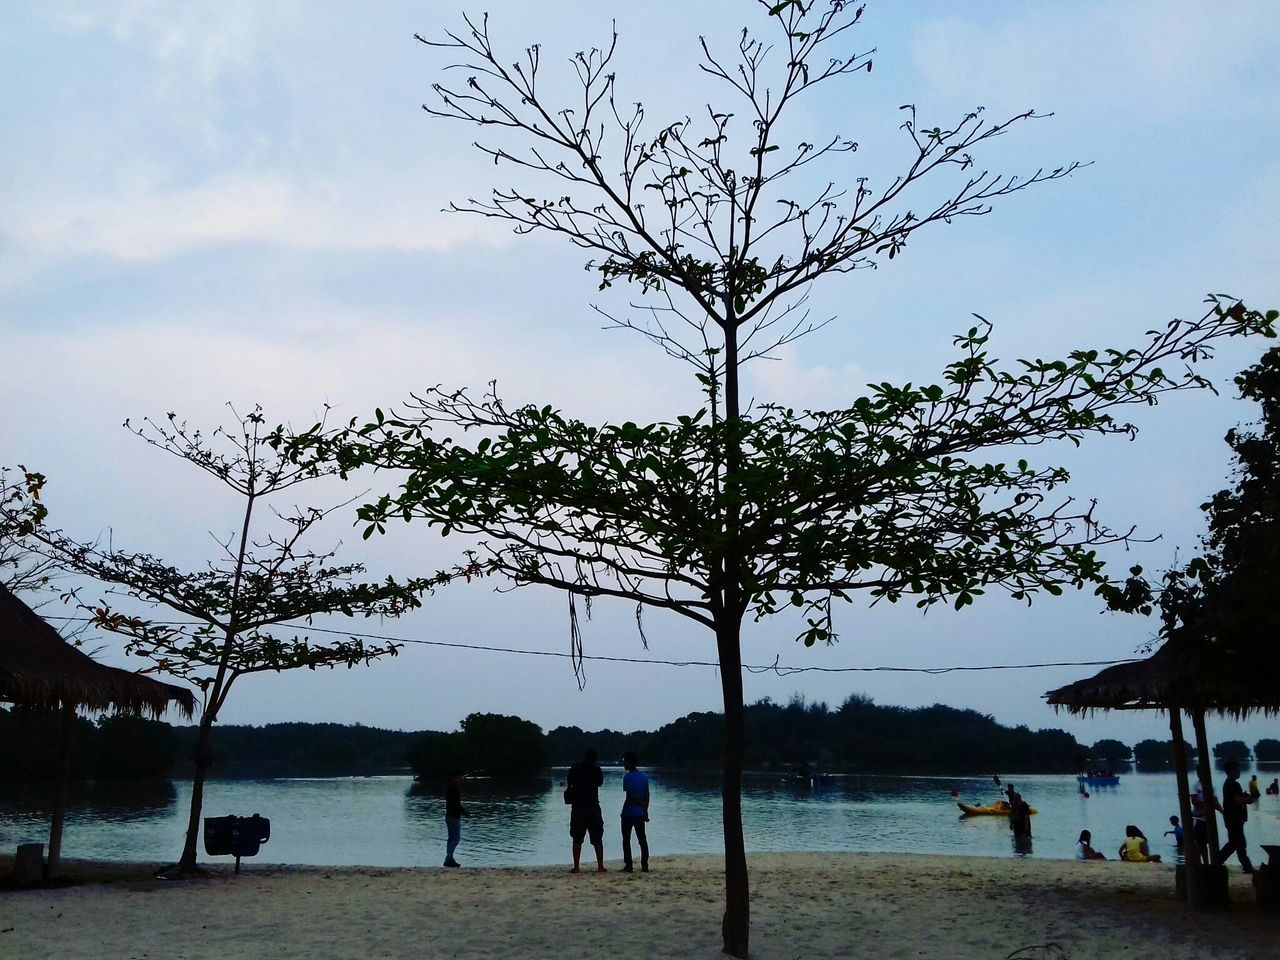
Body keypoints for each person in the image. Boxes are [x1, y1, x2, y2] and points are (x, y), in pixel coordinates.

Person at [567, 748, 606, 873]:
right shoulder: (596, 769)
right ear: (595, 758)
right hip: (593, 806)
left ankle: (576, 866)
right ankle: (600, 866)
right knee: (597, 838)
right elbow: (600, 783)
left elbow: (569, 782)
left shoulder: (575, 768)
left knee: (577, 838)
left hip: (578, 807)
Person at [1216, 760, 1254, 873]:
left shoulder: (1229, 783)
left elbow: (1236, 798)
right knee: (1235, 843)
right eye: (1237, 770)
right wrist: (1248, 800)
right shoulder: (1232, 784)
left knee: (1238, 843)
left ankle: (1247, 866)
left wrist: (1244, 797)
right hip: (1234, 818)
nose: (1239, 772)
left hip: (1232, 818)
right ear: (1231, 771)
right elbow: (1237, 800)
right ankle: (1216, 860)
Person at [619, 750, 651, 873]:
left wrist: (642, 805)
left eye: (625, 761)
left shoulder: (627, 777)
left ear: (630, 762)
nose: (624, 763)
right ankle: (644, 865)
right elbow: (647, 794)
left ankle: (629, 865)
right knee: (642, 839)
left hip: (628, 813)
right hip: (639, 813)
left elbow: (630, 796)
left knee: (626, 840)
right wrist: (645, 809)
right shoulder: (644, 777)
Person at [443, 771, 469, 868]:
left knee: (451, 839)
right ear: (454, 779)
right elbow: (456, 805)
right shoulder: (454, 790)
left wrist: (463, 812)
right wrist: (465, 813)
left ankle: (449, 859)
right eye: (458, 778)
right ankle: (448, 858)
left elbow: (455, 804)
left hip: (449, 816)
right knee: (456, 838)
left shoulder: (450, 789)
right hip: (453, 817)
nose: (460, 780)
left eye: (460, 778)